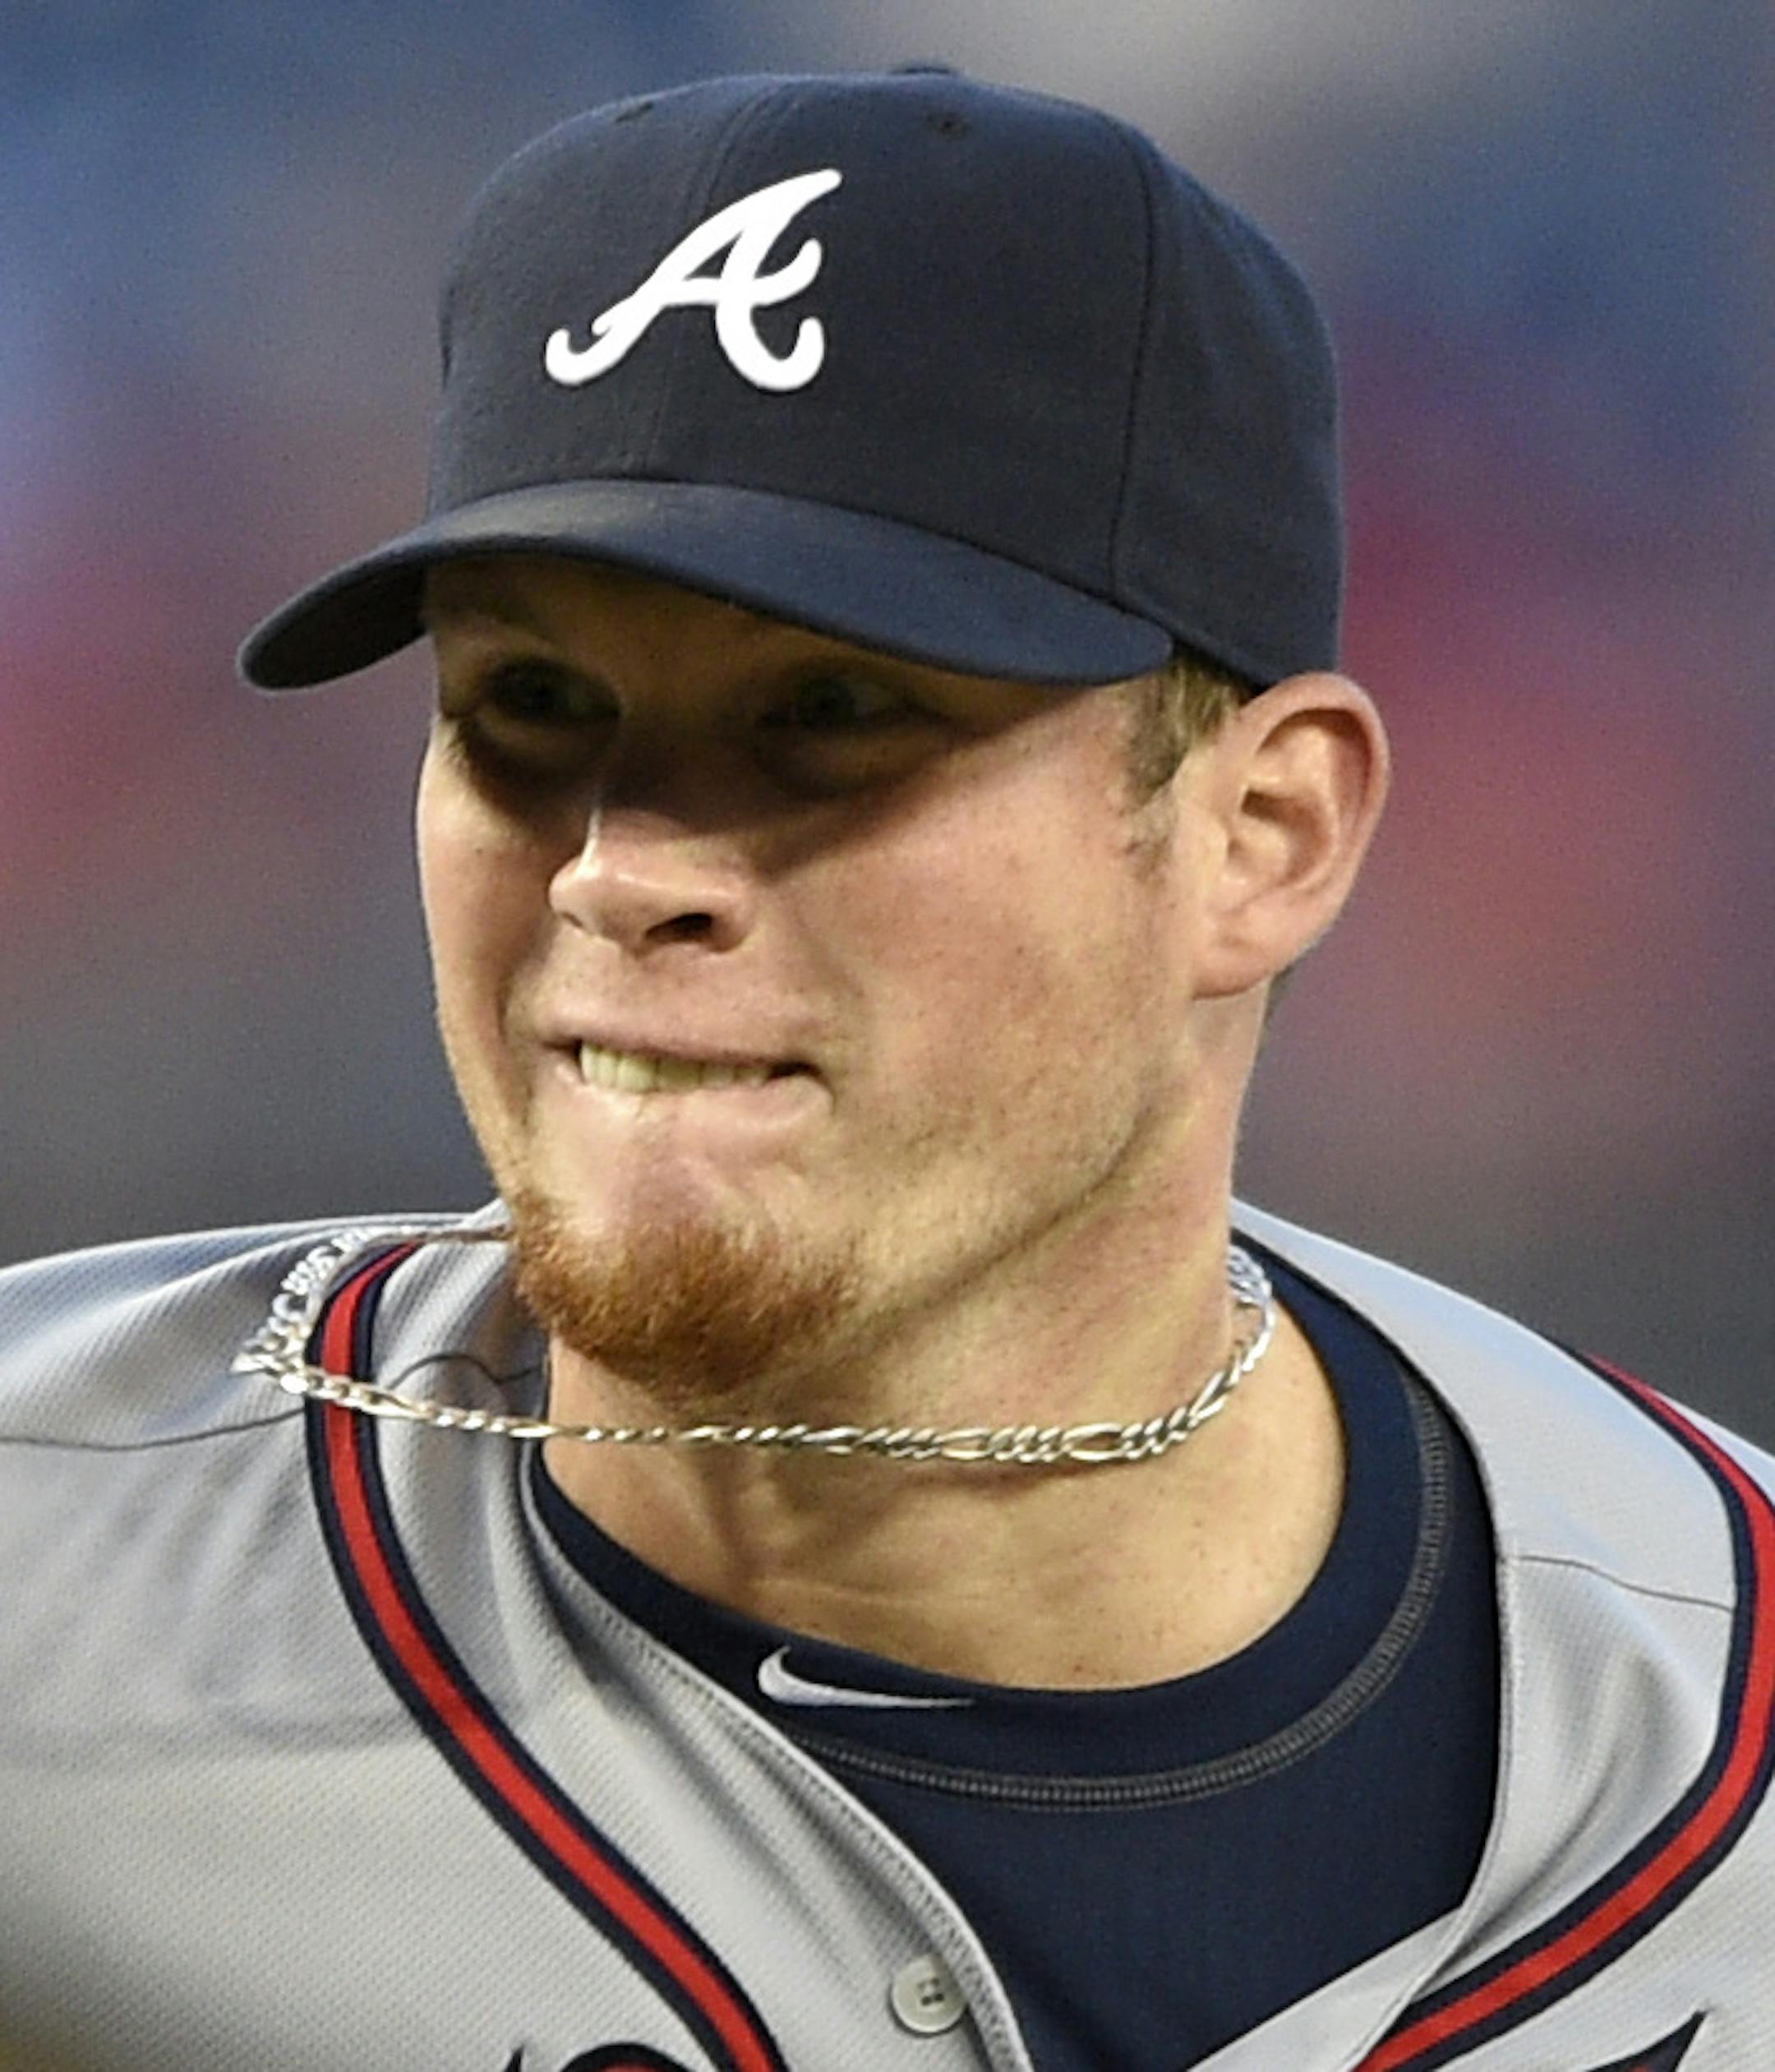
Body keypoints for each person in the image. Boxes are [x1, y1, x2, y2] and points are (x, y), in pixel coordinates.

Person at [0, 66, 1766, 2072]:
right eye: (530, 701)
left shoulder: (1721, 1726)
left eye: (831, 710)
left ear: (1265, 834)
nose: (621, 865)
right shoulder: (36, 1607)